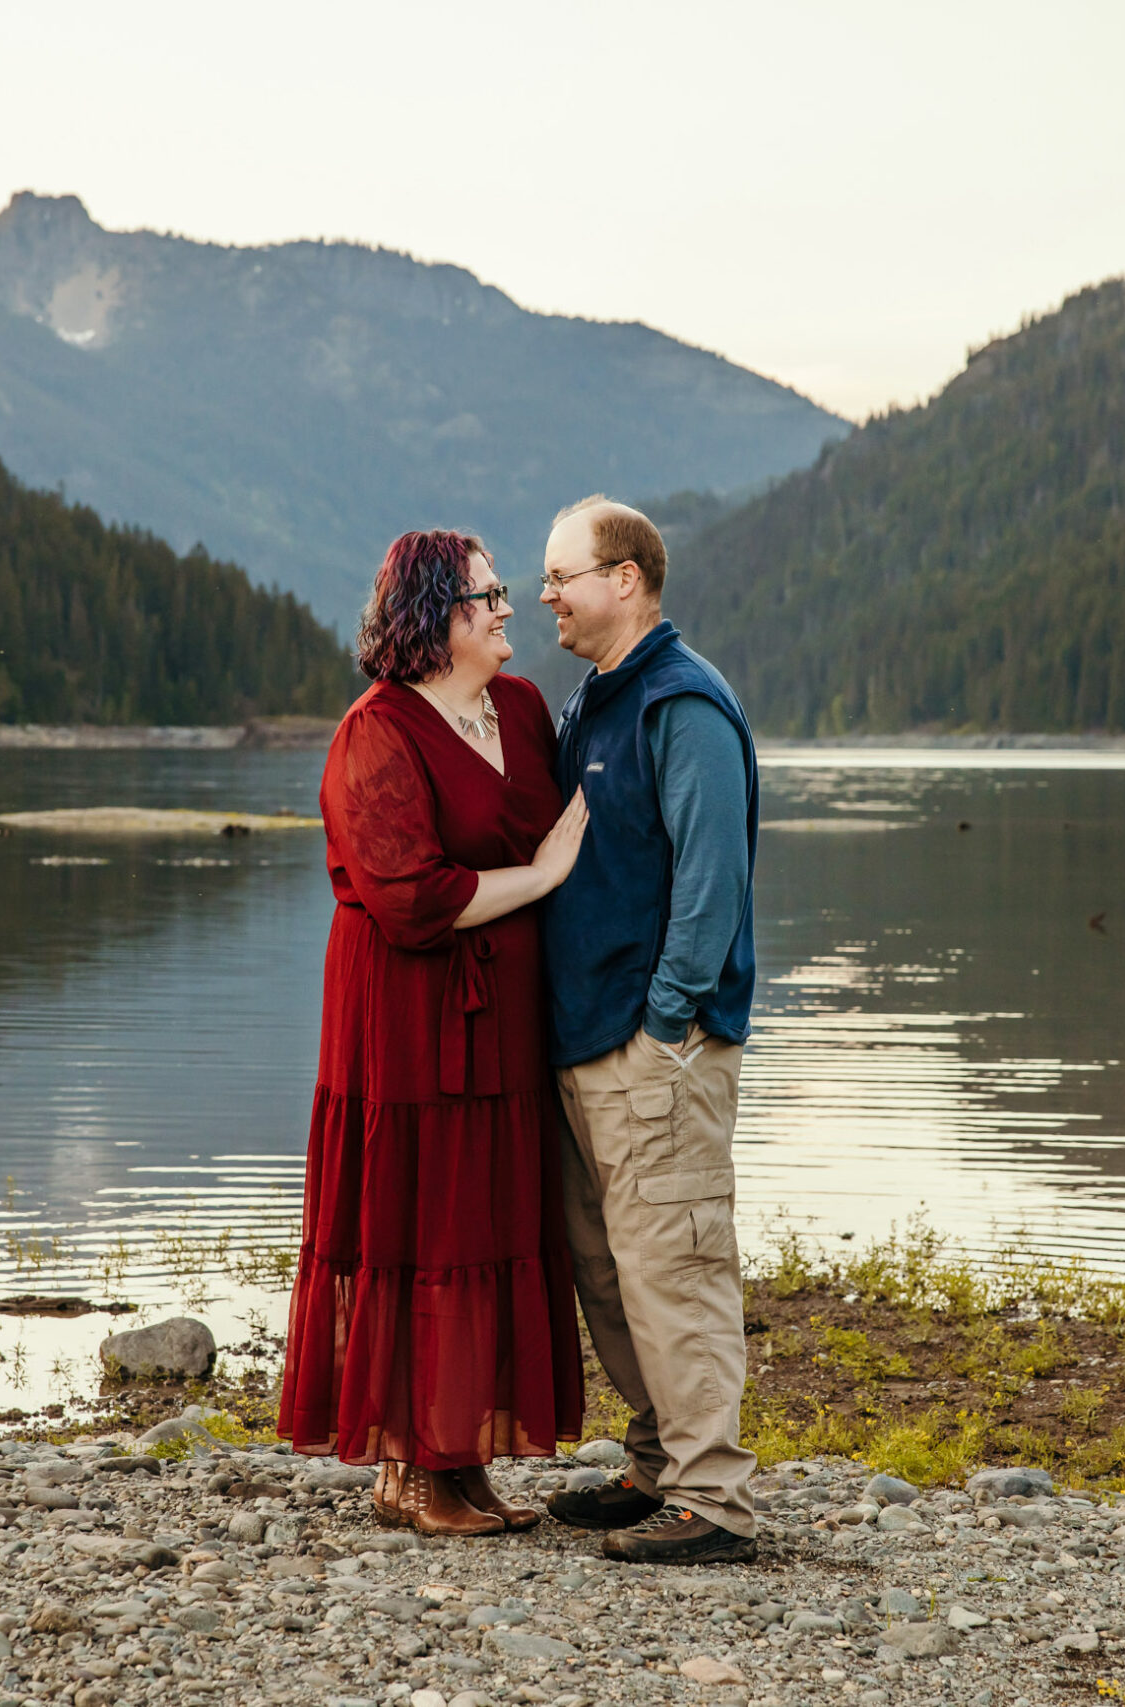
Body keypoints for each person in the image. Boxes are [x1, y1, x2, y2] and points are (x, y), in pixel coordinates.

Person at [278, 529, 590, 1537]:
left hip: (504, 1014)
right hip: (404, 1015)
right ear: (432, 615)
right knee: (416, 1221)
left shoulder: (523, 707)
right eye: (487, 595)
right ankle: (406, 1466)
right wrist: (538, 879)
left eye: (503, 592)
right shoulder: (376, 731)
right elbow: (407, 899)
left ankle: (459, 1462)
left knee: (487, 1220)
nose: (509, 609)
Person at [534, 495, 762, 1565]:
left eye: (561, 575)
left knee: (674, 1265)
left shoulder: (684, 704)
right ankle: (656, 1464)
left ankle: (713, 1500)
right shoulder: (594, 703)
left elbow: (710, 884)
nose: (546, 597)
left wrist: (666, 1022)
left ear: (624, 578)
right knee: (610, 1269)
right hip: (587, 1044)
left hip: (653, 1048)